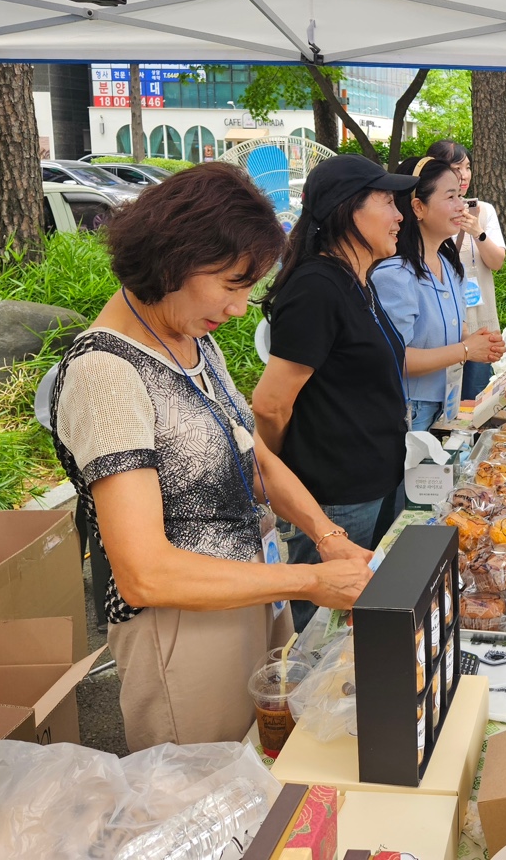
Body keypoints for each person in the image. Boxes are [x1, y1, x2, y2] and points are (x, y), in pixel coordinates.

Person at [50, 164, 373, 751]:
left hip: (252, 589)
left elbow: (254, 454)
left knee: (268, 765)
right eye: (231, 284)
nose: (241, 307)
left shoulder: (192, 337)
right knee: (207, 797)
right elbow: (144, 573)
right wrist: (311, 579)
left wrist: (325, 536)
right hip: (183, 631)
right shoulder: (106, 374)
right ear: (173, 259)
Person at [253, 154, 420, 630]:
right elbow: (270, 402)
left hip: (375, 478)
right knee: (322, 630)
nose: (399, 215)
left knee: (363, 616)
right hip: (336, 494)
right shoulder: (316, 287)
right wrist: (282, 467)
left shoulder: (357, 280)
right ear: (349, 210)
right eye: (388, 202)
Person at [373, 156, 505, 534]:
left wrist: (477, 341)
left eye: (460, 196)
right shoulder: (396, 273)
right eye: (450, 197)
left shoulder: (448, 264)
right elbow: (394, 359)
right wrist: (467, 351)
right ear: (417, 206)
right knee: (402, 518)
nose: (460, 206)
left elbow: (450, 334)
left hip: (442, 410)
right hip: (408, 416)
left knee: (431, 512)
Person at [426, 140, 506, 401]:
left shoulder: (483, 211)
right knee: (444, 400)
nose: (463, 175)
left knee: (476, 400)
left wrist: (477, 232)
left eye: (467, 167)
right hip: (446, 326)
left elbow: (497, 262)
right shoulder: (430, 214)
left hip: (480, 320)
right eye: (455, 167)